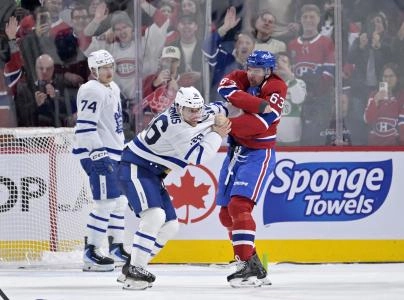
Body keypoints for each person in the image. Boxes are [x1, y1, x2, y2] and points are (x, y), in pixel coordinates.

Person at [117, 86, 231, 290]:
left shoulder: (196, 111)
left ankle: (133, 267)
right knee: (154, 216)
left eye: (198, 109)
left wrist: (226, 110)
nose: (196, 114)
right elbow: (198, 157)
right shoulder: (175, 128)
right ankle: (136, 268)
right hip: (134, 167)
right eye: (190, 110)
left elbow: (218, 107)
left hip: (152, 173)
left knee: (170, 226)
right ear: (178, 108)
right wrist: (217, 133)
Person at [216, 50, 287, 287]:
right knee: (226, 214)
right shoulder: (243, 77)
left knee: (239, 205)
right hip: (235, 151)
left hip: (258, 154)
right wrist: (257, 104)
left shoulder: (278, 86)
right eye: (250, 68)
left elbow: (259, 124)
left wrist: (227, 121)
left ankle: (245, 266)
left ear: (268, 71)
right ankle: (253, 262)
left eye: (257, 70)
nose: (251, 74)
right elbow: (224, 88)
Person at [72, 49, 130, 272]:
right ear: (93, 70)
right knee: (104, 202)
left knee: (120, 202)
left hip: (113, 151)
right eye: (103, 68)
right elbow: (86, 127)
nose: (108, 71)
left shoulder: (113, 87)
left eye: (110, 66)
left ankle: (116, 246)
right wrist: (98, 153)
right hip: (97, 152)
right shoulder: (91, 90)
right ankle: (91, 252)